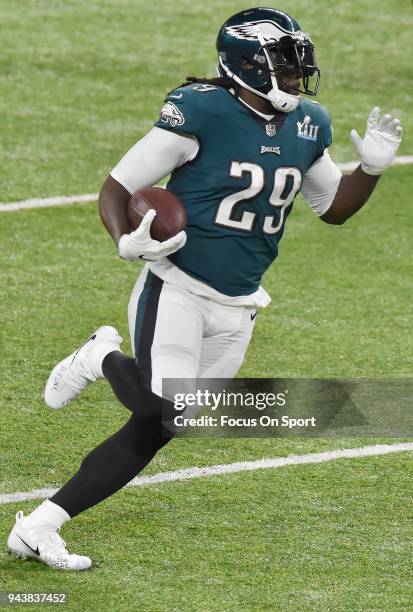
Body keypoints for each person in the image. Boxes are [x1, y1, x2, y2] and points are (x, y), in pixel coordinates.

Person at [7, 7, 402, 570]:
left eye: (297, 69)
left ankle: (39, 526)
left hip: (240, 301)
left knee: (168, 424)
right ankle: (103, 356)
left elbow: (332, 208)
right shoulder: (203, 110)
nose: (295, 79)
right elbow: (118, 187)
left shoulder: (310, 122)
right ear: (245, 65)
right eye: (283, 68)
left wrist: (370, 170)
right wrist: (126, 241)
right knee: (162, 406)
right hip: (179, 288)